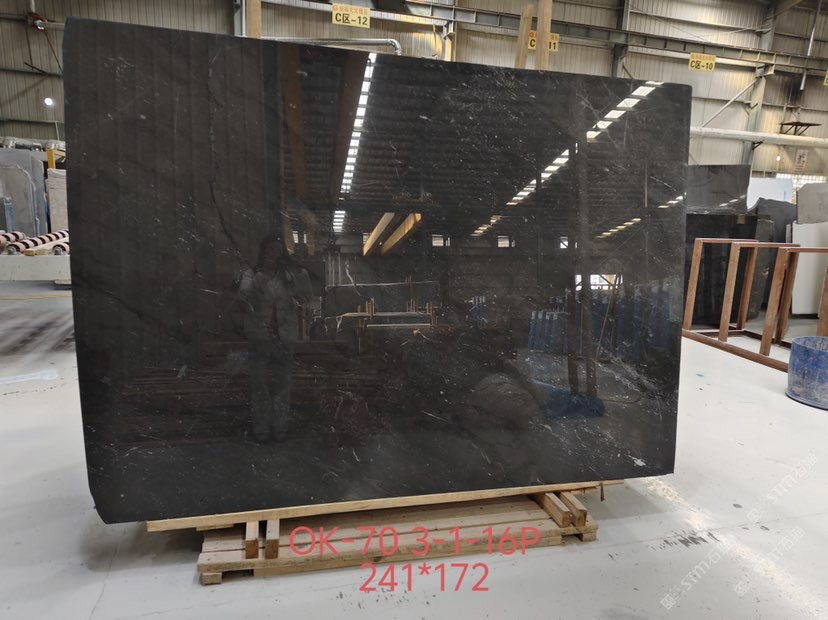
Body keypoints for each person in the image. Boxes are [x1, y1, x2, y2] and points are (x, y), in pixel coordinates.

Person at [238, 233, 312, 442]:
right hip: (259, 339)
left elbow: (306, 297)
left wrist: (302, 274)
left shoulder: (287, 277)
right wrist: (255, 283)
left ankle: (280, 429)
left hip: (284, 339)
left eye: (278, 250)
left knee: (282, 388)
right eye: (271, 249)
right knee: (260, 387)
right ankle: (261, 429)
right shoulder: (251, 274)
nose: (274, 254)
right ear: (263, 252)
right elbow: (242, 298)